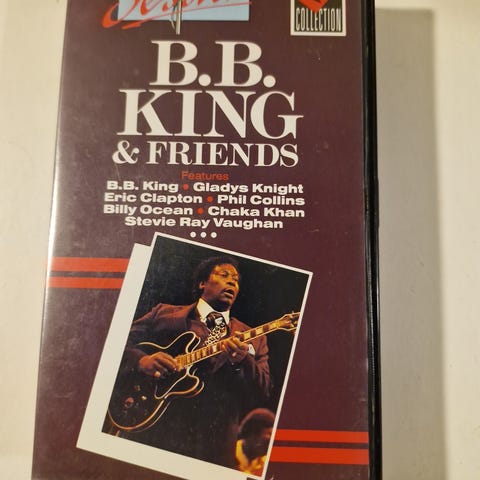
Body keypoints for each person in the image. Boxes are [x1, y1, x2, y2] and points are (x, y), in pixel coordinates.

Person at [107, 256, 271, 469]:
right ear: (203, 283)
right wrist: (141, 360)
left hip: (211, 449)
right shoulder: (163, 313)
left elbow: (264, 389)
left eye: (236, 279)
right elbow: (113, 343)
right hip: (150, 431)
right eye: (224, 275)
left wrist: (242, 361)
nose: (232, 281)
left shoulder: (255, 338)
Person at [235, 408, 275, 476]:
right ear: (253, 433)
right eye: (270, 434)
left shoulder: (264, 464)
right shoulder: (227, 456)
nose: (271, 443)